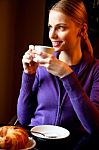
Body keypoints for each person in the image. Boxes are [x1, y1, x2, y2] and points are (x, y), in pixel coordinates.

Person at [17, 0, 99, 149]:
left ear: (82, 29)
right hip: (36, 143)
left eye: (60, 27)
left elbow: (94, 127)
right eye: (50, 27)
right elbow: (23, 118)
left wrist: (67, 75)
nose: (52, 35)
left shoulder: (95, 70)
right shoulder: (41, 64)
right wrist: (28, 75)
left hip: (74, 145)